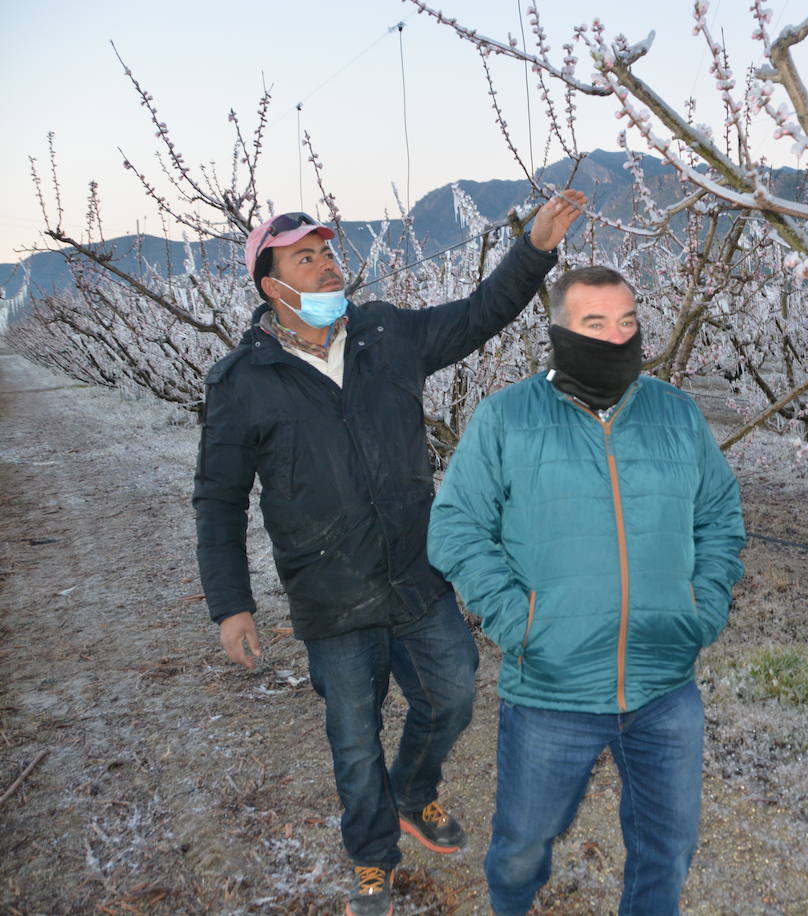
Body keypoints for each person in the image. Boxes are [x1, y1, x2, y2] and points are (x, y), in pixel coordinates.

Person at [193, 193, 585, 916]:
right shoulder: (242, 383)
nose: (325, 266)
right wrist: (232, 605)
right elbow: (219, 500)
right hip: (331, 593)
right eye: (304, 258)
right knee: (352, 736)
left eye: (328, 253)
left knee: (456, 694)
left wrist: (534, 249)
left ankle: (414, 788)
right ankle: (372, 856)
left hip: (415, 572)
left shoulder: (387, 333)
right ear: (270, 285)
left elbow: (477, 313)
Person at [427, 265, 746, 916]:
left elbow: (720, 517)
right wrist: (521, 623)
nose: (616, 337)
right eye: (595, 324)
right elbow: (455, 526)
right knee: (522, 847)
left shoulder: (676, 415)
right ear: (559, 332)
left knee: (669, 847)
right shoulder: (507, 419)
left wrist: (702, 606)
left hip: (664, 688)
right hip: (552, 690)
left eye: (627, 322)